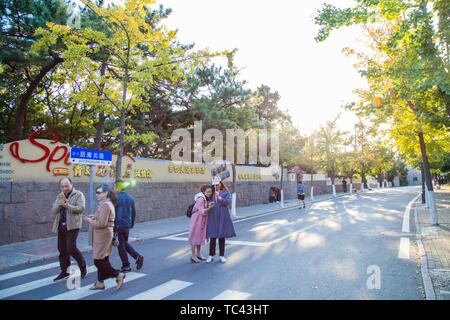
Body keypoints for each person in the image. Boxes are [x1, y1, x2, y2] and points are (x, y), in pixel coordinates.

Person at [84, 184, 125, 290]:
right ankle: (100, 282)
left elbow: (102, 223)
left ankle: (117, 275)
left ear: (106, 193)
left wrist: (89, 221)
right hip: (103, 234)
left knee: (98, 260)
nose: (97, 194)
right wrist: (94, 217)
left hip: (103, 235)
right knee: (104, 259)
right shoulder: (105, 203)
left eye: (99, 192)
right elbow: (102, 218)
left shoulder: (106, 204)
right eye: (96, 192)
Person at [51, 177, 87, 281]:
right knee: (62, 249)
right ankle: (64, 271)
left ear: (71, 184)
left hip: (73, 226)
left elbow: (81, 208)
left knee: (71, 248)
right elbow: (53, 210)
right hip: (61, 225)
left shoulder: (78, 194)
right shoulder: (60, 196)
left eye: (66, 186)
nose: (64, 188)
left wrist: (68, 206)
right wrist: (59, 204)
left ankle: (83, 268)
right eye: (62, 186)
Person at [113, 179, 144, 273]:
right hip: (127, 225)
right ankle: (137, 256)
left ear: (118, 187)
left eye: (114, 186)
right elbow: (133, 212)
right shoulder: (130, 198)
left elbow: (112, 213)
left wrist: (112, 227)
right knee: (124, 243)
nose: (114, 188)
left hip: (118, 226)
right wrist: (131, 224)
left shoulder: (115, 198)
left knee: (121, 245)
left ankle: (126, 265)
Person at [206, 181, 236, 263]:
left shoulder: (226, 192)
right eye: (215, 185)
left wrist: (219, 197)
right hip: (213, 217)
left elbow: (227, 202)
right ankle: (211, 255)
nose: (217, 186)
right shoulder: (212, 193)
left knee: (221, 236)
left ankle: (221, 256)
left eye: (218, 184)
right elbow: (207, 201)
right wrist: (209, 203)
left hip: (222, 216)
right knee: (213, 235)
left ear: (221, 184)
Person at [188, 184, 215, 263]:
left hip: (201, 220)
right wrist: (209, 208)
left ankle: (199, 254)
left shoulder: (205, 198)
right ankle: (193, 256)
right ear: (204, 191)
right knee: (194, 237)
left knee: (199, 237)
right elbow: (201, 211)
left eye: (210, 192)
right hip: (197, 219)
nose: (209, 193)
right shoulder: (201, 199)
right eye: (208, 192)